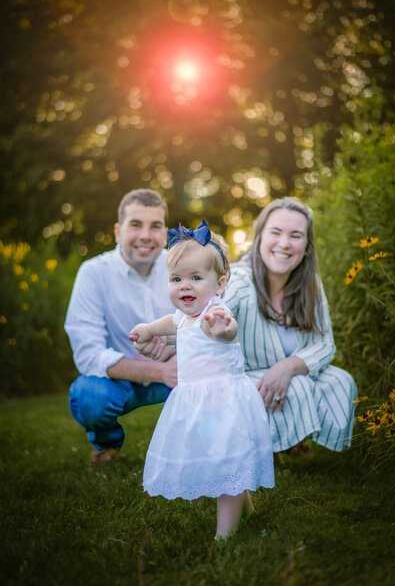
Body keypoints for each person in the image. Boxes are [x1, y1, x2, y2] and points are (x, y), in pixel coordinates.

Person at [130, 221, 274, 538]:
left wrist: (225, 329)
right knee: (224, 460)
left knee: (225, 463)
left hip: (225, 404)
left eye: (196, 278)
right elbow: (169, 321)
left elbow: (226, 329)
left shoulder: (214, 313)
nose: (185, 286)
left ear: (220, 284)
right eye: (177, 279)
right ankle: (248, 511)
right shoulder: (184, 316)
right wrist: (148, 329)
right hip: (199, 404)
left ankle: (225, 536)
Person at [224, 197, 357, 455]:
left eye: (296, 236)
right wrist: (165, 337)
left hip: (284, 375)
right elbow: (202, 318)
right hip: (241, 379)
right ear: (260, 236)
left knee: (341, 380)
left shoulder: (311, 285)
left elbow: (325, 344)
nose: (285, 244)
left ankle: (291, 439)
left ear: (307, 245)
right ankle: (264, 448)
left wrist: (286, 367)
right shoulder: (237, 280)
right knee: (299, 387)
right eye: (276, 232)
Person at [65, 189, 177, 463]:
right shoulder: (93, 273)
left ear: (164, 234)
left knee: (226, 371)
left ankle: (208, 444)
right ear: (118, 231)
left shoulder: (182, 266)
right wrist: (158, 370)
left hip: (180, 369)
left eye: (155, 226)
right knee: (89, 396)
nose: (145, 236)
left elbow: (207, 323)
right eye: (135, 225)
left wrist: (179, 355)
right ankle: (107, 443)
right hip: (121, 379)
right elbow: (89, 354)